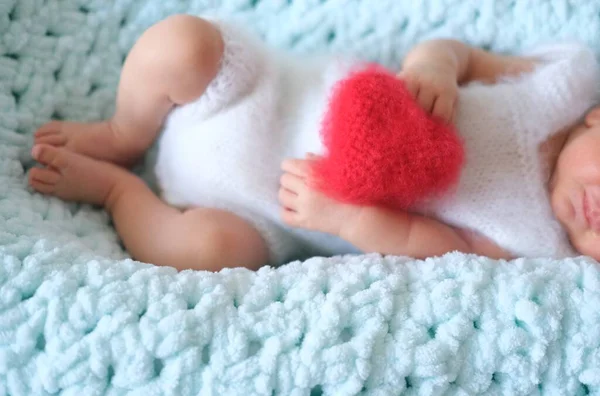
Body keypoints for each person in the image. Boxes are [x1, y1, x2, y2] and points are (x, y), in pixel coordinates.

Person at [28, 14, 600, 272]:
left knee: (209, 254)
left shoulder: (537, 244)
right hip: (257, 93)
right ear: (597, 119)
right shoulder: (560, 81)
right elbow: (463, 53)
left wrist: (348, 220)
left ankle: (119, 193)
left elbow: (436, 244)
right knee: (181, 44)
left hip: (267, 208)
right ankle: (125, 132)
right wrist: (434, 66)